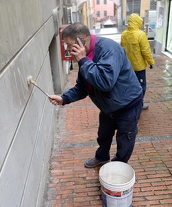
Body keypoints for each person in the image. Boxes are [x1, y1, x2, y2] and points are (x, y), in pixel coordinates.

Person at [48, 22, 143, 168]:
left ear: (82, 41)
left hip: (127, 105)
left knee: (125, 140)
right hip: (108, 107)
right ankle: (102, 157)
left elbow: (105, 82)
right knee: (103, 135)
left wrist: (83, 61)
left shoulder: (108, 50)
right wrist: (64, 98)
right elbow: (82, 87)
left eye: (69, 44)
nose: (67, 49)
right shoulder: (84, 57)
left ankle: (118, 167)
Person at [121, 13, 155, 110]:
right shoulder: (141, 34)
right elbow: (146, 50)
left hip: (127, 67)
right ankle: (138, 105)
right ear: (138, 23)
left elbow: (121, 50)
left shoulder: (124, 34)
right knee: (141, 87)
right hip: (139, 67)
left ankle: (130, 104)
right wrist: (151, 62)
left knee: (130, 86)